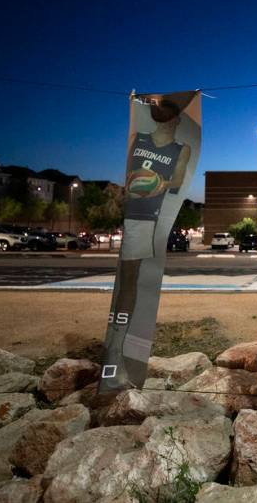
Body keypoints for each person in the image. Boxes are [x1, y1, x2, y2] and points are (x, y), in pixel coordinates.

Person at [100, 96, 192, 391]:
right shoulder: (138, 139)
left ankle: (121, 349)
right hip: (134, 216)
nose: (176, 121)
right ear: (169, 120)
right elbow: (129, 176)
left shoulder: (181, 149)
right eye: (174, 117)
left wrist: (154, 182)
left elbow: (176, 181)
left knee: (134, 280)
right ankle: (117, 352)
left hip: (152, 217)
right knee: (129, 279)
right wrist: (134, 185)